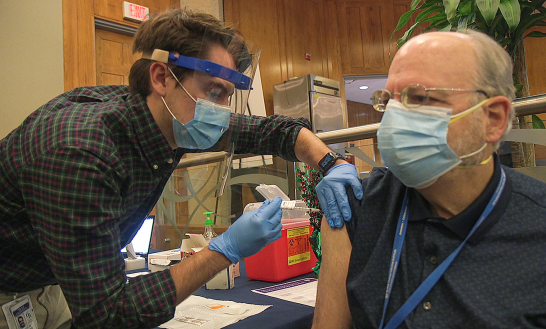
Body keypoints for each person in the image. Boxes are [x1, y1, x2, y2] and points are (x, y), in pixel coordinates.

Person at [0, 9, 361, 329]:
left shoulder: (172, 118)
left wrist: (329, 163)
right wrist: (223, 250)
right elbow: (109, 315)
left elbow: (276, 131)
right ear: (161, 78)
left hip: (51, 284)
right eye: (214, 91)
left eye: (227, 95)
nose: (221, 111)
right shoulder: (80, 153)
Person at [312, 30, 546, 329]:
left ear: (493, 120)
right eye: (389, 101)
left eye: (420, 97)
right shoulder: (356, 208)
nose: (394, 118)